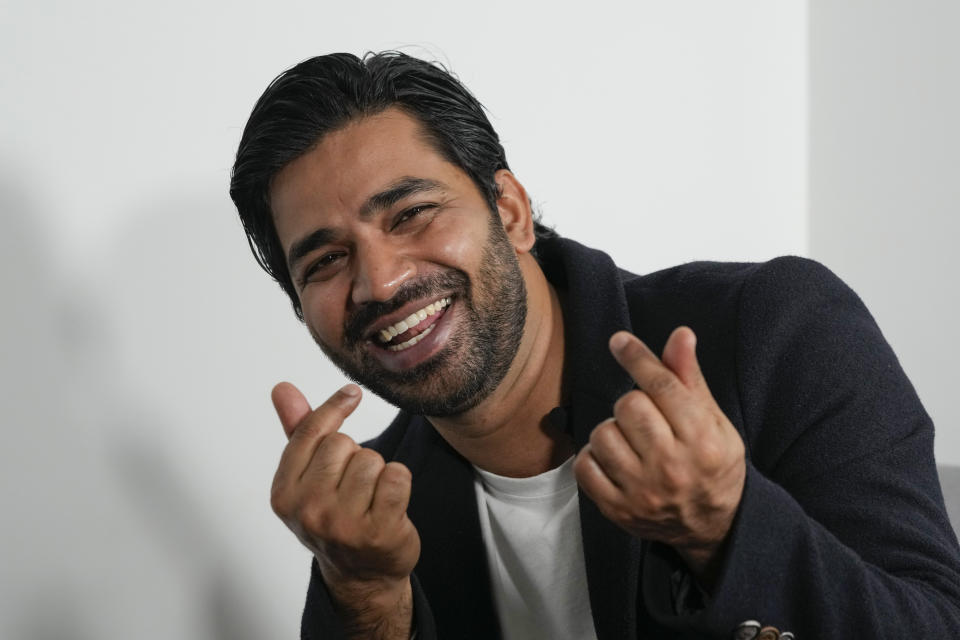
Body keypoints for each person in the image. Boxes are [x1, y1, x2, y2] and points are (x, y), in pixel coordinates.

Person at [229, 51, 960, 639]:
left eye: (412, 214)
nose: (379, 283)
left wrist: (727, 525)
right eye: (324, 262)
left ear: (509, 210)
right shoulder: (380, 508)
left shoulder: (774, 330)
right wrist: (362, 598)